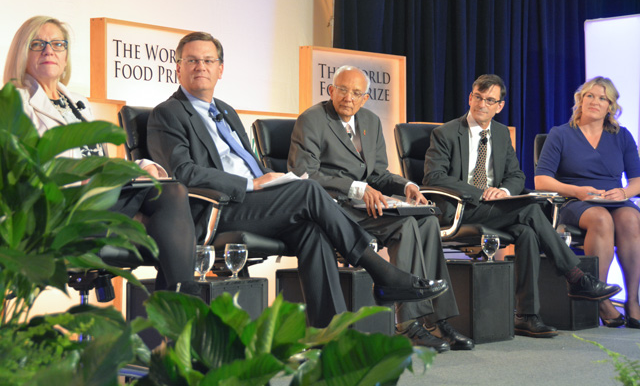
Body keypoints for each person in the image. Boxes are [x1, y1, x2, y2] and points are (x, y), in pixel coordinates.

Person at [145, 31, 448, 328]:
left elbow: (245, 161)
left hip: (254, 202)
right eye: (192, 60)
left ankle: (329, 333)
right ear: (178, 68)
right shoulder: (167, 114)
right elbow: (183, 172)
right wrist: (252, 184)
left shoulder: (226, 111)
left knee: (312, 229)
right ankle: (381, 272)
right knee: (307, 190)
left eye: (209, 61)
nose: (201, 67)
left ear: (220, 69)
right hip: (218, 207)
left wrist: (267, 179)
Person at [3, 15, 198, 293]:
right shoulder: (13, 101)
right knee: (167, 218)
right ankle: (181, 315)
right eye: (38, 44)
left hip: (97, 197)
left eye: (58, 44)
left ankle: (178, 309)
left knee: (170, 190)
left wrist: (140, 167)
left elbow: (97, 159)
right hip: (57, 210)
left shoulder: (78, 103)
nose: (49, 50)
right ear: (23, 52)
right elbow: (19, 172)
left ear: (66, 55)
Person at [288, 65, 472, 352]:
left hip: (364, 208)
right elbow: (304, 175)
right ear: (331, 90)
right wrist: (355, 187)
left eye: (357, 93)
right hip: (332, 209)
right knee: (407, 226)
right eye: (343, 90)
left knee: (426, 221)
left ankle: (437, 320)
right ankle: (408, 324)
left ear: (365, 98)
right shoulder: (312, 120)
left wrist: (405, 185)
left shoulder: (370, 122)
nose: (349, 98)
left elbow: (378, 174)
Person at [423, 73, 621, 338]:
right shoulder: (445, 132)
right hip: (461, 209)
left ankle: (526, 316)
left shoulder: (502, 133)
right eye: (478, 98)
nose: (482, 104)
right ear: (470, 98)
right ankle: (576, 277)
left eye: (490, 100)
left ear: (499, 106)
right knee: (529, 211)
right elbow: (433, 177)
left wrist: (503, 191)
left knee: (527, 231)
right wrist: (480, 194)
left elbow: (516, 176)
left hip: (496, 208)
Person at [535, 77, 640, 329]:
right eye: (590, 96)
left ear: (610, 107)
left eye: (603, 98)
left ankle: (633, 300)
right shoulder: (560, 134)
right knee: (601, 217)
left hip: (613, 200)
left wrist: (624, 193)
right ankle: (599, 297)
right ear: (580, 101)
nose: (595, 101)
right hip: (573, 201)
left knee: (631, 218)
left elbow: (637, 180)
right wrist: (577, 191)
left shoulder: (622, 136)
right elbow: (541, 180)